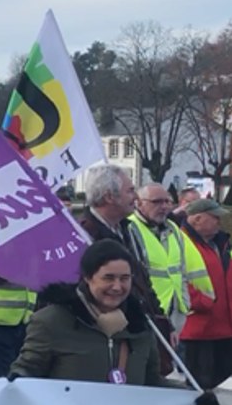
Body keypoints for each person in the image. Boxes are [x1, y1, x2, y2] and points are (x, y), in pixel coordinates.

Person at [11, 241, 168, 387]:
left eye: (124, 279)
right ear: (88, 277)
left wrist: (189, 394)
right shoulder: (52, 322)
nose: (117, 287)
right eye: (108, 278)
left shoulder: (140, 325)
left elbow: (152, 382)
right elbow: (27, 374)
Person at [79, 166, 175, 362]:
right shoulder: (84, 235)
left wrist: (163, 323)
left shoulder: (126, 230)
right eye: (130, 191)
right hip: (109, 338)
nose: (136, 198)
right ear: (109, 197)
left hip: (136, 332)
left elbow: (142, 281)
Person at [178, 199, 232, 405]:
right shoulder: (182, 242)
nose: (220, 221)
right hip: (198, 326)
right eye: (215, 217)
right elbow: (177, 278)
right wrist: (202, 302)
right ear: (197, 218)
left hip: (220, 324)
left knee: (214, 375)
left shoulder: (216, 243)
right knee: (199, 378)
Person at [130, 183, 204, 333]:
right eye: (156, 202)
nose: (164, 206)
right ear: (139, 203)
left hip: (176, 312)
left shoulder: (172, 228)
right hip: (149, 314)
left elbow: (181, 269)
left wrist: (185, 302)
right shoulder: (131, 227)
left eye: (167, 202)